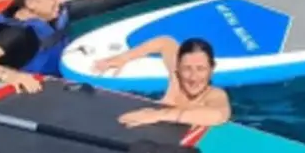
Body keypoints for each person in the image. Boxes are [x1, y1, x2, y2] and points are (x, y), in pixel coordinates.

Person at [92, 35, 231, 127]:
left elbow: (218, 116)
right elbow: (165, 42)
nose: (193, 77)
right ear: (177, 66)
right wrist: (124, 57)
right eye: (187, 69)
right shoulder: (176, 76)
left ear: (212, 69)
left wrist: (157, 115)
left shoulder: (214, 95)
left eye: (201, 69)